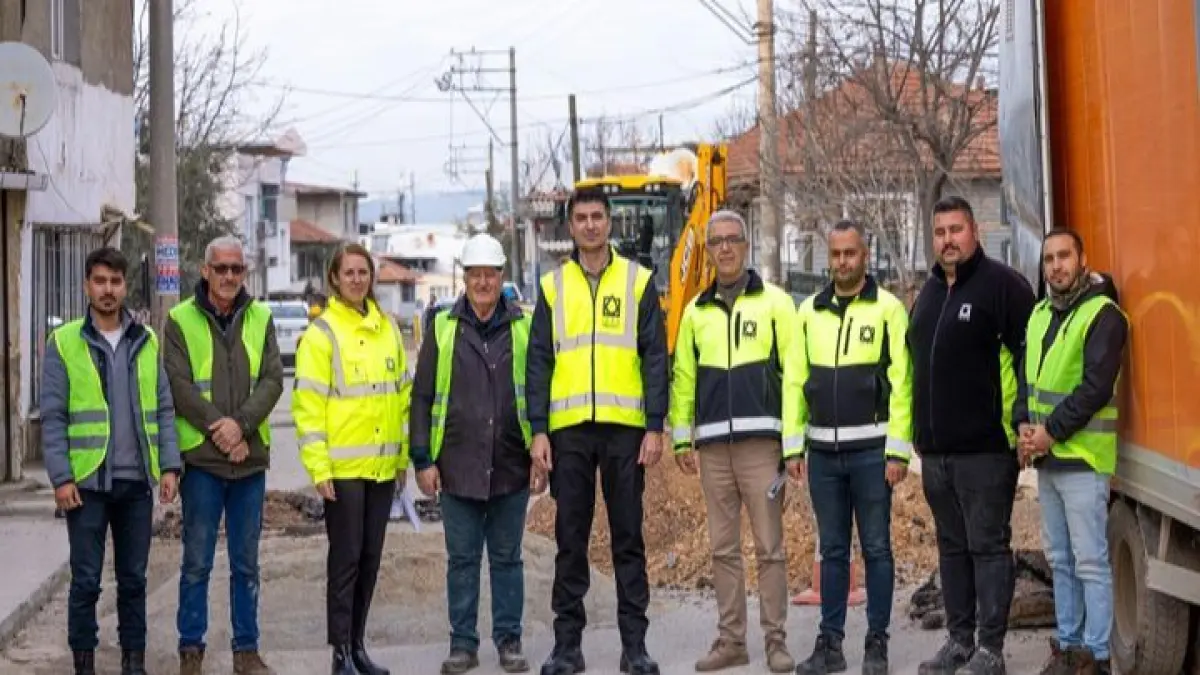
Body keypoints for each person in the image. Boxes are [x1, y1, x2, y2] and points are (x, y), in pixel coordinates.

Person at [527, 190, 669, 675]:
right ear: (570, 226)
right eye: (581, 218)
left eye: (597, 217)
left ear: (610, 224)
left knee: (628, 538)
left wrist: (655, 425)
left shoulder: (637, 281)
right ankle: (567, 647)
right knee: (571, 539)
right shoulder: (552, 286)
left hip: (625, 432)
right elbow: (539, 362)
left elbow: (655, 357)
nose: (590, 225)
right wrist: (539, 431)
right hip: (569, 434)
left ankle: (635, 648)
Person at [906, 196, 1036, 675]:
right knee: (952, 550)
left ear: (974, 231)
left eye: (956, 230)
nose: (948, 240)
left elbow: (1029, 359)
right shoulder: (931, 292)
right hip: (937, 454)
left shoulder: (1003, 287)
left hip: (986, 450)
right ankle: (959, 642)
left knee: (988, 549)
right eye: (940, 232)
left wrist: (1023, 418)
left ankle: (991, 650)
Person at [668, 211, 800, 673]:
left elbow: (794, 379)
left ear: (746, 245)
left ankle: (777, 642)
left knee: (770, 547)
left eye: (732, 240)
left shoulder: (777, 305)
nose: (725, 248)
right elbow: (683, 379)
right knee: (722, 549)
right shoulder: (694, 313)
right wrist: (682, 440)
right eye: (716, 242)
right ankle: (731, 642)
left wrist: (792, 445)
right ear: (708, 252)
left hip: (761, 447)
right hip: (713, 451)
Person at [41, 247, 181, 675]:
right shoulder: (64, 342)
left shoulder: (146, 339)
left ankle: (132, 663)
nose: (107, 290)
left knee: (134, 581)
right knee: (85, 582)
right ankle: (84, 663)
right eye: (99, 281)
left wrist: (170, 466)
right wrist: (61, 477)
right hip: (86, 484)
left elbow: (162, 407)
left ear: (124, 287)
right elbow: (53, 415)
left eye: (115, 282)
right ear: (87, 285)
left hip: (136, 481)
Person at [410, 233, 545, 675]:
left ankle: (509, 641)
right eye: (475, 275)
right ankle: (462, 644)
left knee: (508, 559)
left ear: (502, 277)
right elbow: (423, 395)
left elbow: (540, 391)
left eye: (490, 274)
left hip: (510, 461)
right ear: (464, 278)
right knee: (462, 561)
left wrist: (540, 451)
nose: (483, 282)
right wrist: (422, 460)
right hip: (457, 464)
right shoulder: (443, 327)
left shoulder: (524, 326)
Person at [789, 220, 913, 675]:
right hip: (822, 454)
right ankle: (831, 645)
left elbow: (903, 385)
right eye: (836, 254)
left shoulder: (888, 309)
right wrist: (792, 448)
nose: (842, 261)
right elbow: (794, 384)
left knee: (877, 548)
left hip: (873, 454)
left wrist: (898, 451)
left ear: (866, 255)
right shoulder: (809, 313)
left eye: (851, 253)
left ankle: (877, 643)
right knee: (834, 551)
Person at [164, 236, 284, 675]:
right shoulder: (179, 320)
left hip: (248, 460)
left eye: (237, 269)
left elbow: (273, 380)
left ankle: (246, 651)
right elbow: (178, 386)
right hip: (203, 462)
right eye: (222, 269)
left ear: (244, 273)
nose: (229, 276)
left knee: (246, 564)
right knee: (196, 560)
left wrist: (243, 428)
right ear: (205, 270)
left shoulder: (262, 317)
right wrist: (222, 431)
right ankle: (190, 650)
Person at [293, 243, 412, 675]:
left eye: (364, 272)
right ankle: (339, 651)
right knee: (344, 562)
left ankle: (358, 645)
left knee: (370, 560)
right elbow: (308, 406)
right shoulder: (322, 335)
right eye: (350, 273)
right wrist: (318, 468)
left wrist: (402, 459)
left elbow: (402, 397)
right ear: (334, 279)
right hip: (342, 471)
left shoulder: (388, 329)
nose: (357, 280)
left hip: (381, 469)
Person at [1019, 229, 1126, 675]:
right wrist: (1023, 427)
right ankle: (1068, 646)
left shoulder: (1104, 315)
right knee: (1061, 561)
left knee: (1090, 563)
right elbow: (1029, 380)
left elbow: (1095, 388)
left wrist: (1049, 434)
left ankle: (1096, 657)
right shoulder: (1041, 313)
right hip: (1048, 460)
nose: (1056, 266)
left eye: (1064, 256)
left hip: (1083, 459)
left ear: (1083, 260)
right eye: (1049, 259)